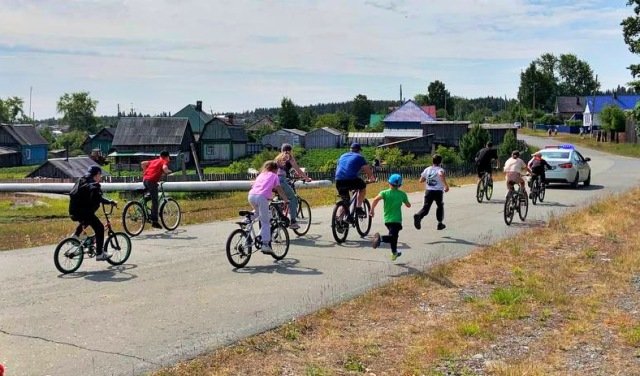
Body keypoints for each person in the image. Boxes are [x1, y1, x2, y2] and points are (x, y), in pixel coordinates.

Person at [68, 166, 117, 261]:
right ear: (97, 174)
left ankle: (75, 236)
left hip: (73, 211)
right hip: (84, 212)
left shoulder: (81, 180)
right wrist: (110, 202)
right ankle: (99, 253)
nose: (100, 177)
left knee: (87, 220)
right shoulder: (94, 185)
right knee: (100, 228)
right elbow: (99, 198)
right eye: (100, 175)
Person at [248, 161, 288, 254]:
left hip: (251, 196)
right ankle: (265, 244)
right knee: (265, 222)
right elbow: (279, 189)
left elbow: (256, 185)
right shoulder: (274, 176)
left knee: (259, 213)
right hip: (262, 198)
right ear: (275, 169)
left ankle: (246, 220)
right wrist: (286, 199)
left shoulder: (261, 175)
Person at [370, 173, 411, 261]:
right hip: (396, 220)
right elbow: (408, 205)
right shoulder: (402, 194)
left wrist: (372, 210)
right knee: (393, 237)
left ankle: (394, 253)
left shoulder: (384, 193)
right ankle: (380, 239)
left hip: (387, 220)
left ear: (389, 182)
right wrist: (407, 202)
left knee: (394, 237)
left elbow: (375, 199)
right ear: (400, 185)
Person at [274, 144, 311, 230]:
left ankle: (278, 213)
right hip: (281, 181)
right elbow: (298, 169)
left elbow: (287, 169)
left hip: (273, 181)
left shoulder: (277, 158)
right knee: (293, 198)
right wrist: (307, 178)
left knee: (281, 198)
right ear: (290, 150)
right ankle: (293, 222)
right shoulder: (289, 157)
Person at [335, 143, 376, 217]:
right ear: (359, 150)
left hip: (338, 180)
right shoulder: (359, 157)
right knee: (362, 187)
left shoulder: (342, 156)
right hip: (350, 180)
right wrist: (372, 179)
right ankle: (358, 208)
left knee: (345, 201)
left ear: (350, 149)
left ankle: (339, 220)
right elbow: (367, 170)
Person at [414, 154, 449, 231]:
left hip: (429, 191)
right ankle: (440, 223)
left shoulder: (427, 169)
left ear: (432, 161)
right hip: (438, 192)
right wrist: (445, 185)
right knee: (440, 206)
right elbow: (441, 174)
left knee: (426, 208)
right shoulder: (440, 169)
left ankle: (418, 215)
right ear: (440, 162)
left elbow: (421, 180)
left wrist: (427, 178)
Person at [141, 151, 172, 229]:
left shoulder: (155, 160)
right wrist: (168, 171)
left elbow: (143, 163)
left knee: (152, 196)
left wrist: (145, 172)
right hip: (152, 181)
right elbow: (164, 168)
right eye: (169, 157)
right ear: (167, 157)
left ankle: (145, 209)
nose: (169, 159)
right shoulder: (163, 161)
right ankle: (154, 221)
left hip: (145, 180)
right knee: (155, 201)